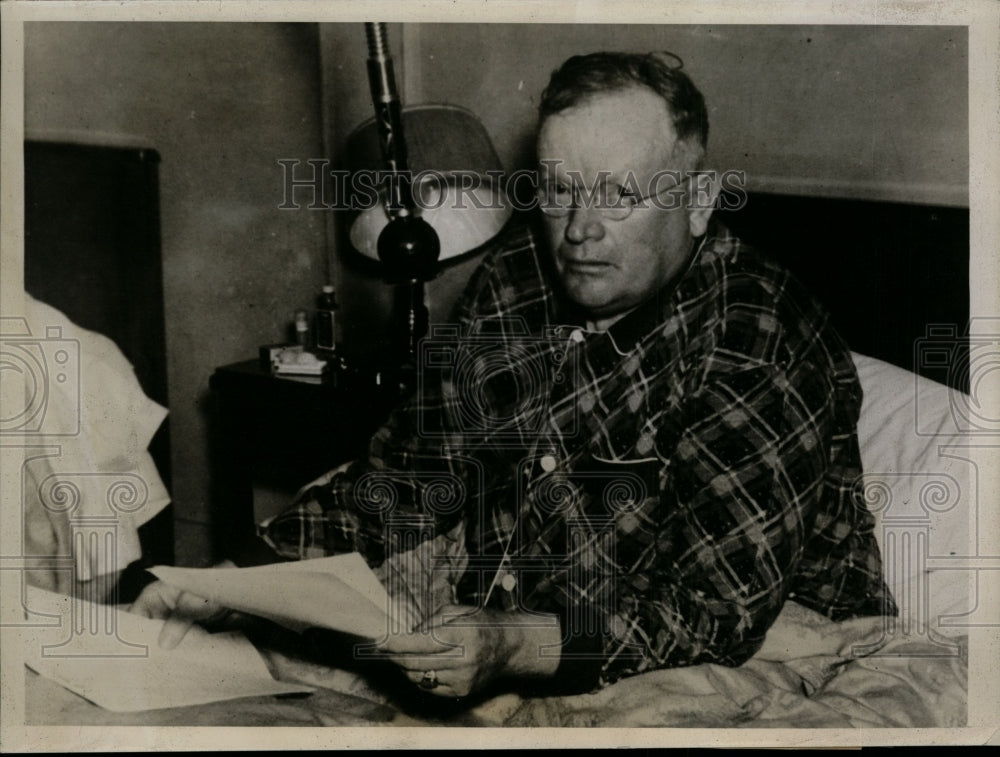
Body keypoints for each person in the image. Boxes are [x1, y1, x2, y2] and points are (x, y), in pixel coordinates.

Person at [133, 51, 896, 699]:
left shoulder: (756, 335)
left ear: (697, 202)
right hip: (524, 606)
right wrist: (242, 574)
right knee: (224, 675)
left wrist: (516, 644)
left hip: (765, 645)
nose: (580, 228)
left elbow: (715, 612)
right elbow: (414, 471)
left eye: (620, 194)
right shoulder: (518, 276)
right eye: (560, 190)